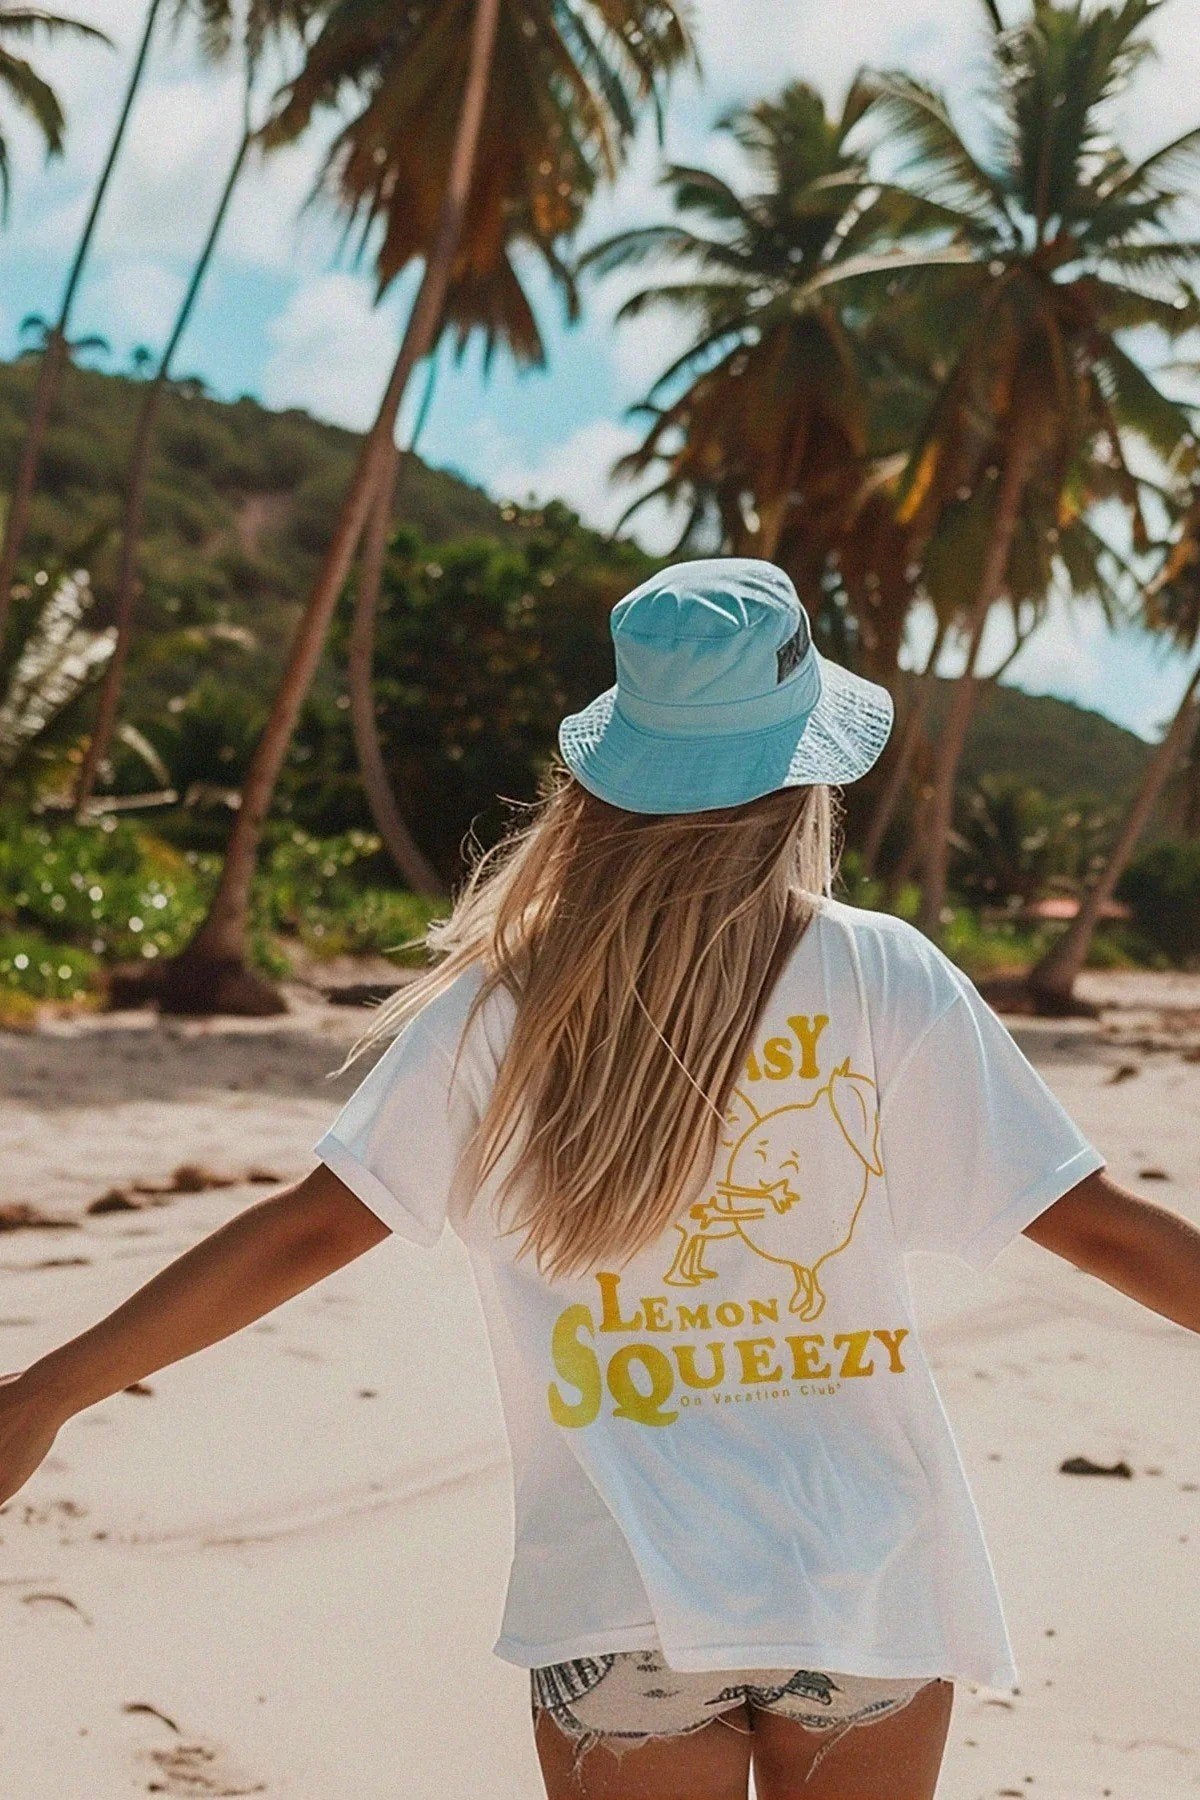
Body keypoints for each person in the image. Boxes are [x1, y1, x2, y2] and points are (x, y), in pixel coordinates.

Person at [2, 559, 1198, 1800]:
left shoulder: (503, 1002)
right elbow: (1106, 1232)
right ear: (805, 779)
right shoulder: (882, 975)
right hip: (860, 1589)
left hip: (621, 1604)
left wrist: (47, 1394)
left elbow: (308, 1232)